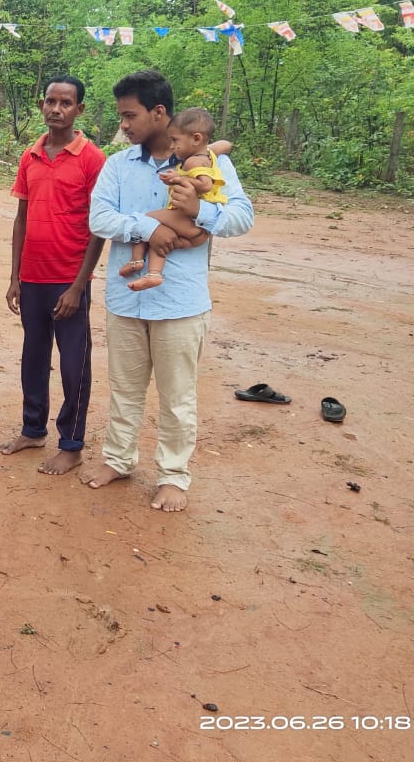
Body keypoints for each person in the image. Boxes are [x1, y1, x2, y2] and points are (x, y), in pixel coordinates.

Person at [82, 69, 254, 512]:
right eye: (122, 116)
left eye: (130, 115)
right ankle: (118, 459)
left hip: (180, 303)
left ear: (159, 113)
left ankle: (173, 476)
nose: (124, 125)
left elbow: (240, 219)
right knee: (124, 389)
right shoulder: (118, 165)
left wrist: (199, 213)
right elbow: (98, 219)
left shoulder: (212, 166)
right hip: (126, 299)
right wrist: (148, 228)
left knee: (177, 398)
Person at [1, 76, 107, 475]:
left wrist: (79, 286)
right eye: (50, 101)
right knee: (33, 355)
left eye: (65, 103)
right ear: (42, 105)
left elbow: (98, 227)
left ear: (79, 109)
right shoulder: (30, 156)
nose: (56, 109)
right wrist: (15, 276)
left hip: (69, 281)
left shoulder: (91, 159)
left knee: (73, 364)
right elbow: (22, 217)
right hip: (32, 278)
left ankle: (72, 443)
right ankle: (33, 428)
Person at [119, 108, 232, 291]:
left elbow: (205, 185)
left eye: (175, 140)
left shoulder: (192, 162)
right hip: (199, 230)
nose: (172, 147)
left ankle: (137, 261)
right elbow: (225, 144)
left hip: (186, 218)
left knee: (145, 220)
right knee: (160, 237)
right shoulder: (208, 154)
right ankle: (153, 274)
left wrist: (178, 178)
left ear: (196, 139)